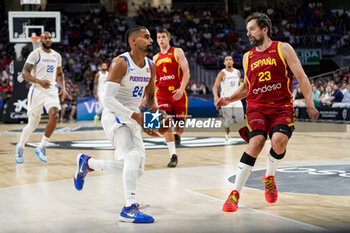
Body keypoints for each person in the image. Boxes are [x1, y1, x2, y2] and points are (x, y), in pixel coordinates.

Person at [216, 13, 319, 212]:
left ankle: (269, 176)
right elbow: (247, 88)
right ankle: (234, 194)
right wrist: (229, 98)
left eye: (252, 29)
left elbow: (302, 77)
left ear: (265, 29)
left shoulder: (283, 48)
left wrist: (310, 104)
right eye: (247, 31)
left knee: (279, 141)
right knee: (256, 142)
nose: (249, 34)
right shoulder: (247, 57)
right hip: (257, 108)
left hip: (281, 106)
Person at [74, 25, 156, 223]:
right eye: (146, 37)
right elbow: (107, 99)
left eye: (150, 36)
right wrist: (136, 116)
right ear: (133, 41)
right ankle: (129, 207)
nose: (151, 40)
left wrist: (153, 120)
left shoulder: (151, 65)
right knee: (132, 156)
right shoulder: (121, 63)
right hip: (115, 115)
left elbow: (151, 96)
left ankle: (88, 163)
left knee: (137, 170)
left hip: (133, 118)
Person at [15, 31, 67, 163]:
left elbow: (60, 73)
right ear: (41, 40)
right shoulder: (35, 54)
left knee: (55, 115)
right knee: (32, 124)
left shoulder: (57, 56)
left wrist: (62, 86)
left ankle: (42, 145)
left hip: (51, 90)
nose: (48, 40)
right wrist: (38, 81)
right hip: (37, 91)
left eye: (50, 38)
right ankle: (20, 146)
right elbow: (24, 73)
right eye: (45, 38)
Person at [152, 28, 190, 167]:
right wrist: (148, 97)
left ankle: (177, 134)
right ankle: (173, 155)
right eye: (159, 37)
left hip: (178, 93)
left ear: (168, 38)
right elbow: (154, 80)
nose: (161, 39)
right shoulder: (155, 58)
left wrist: (181, 89)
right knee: (166, 122)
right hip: (162, 94)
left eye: (163, 37)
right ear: (157, 40)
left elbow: (186, 72)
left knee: (179, 127)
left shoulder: (177, 51)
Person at [212, 56, 244, 144]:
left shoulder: (238, 72)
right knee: (228, 118)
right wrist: (216, 97)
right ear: (224, 63)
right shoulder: (222, 73)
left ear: (233, 62)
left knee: (240, 119)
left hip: (236, 99)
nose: (229, 61)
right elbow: (215, 86)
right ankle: (227, 135)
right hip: (226, 100)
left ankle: (229, 121)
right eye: (227, 60)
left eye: (230, 60)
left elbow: (239, 85)